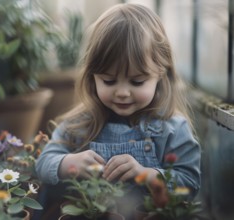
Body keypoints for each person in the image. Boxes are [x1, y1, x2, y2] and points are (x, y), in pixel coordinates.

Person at [35, 3, 201, 218]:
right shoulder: (81, 123)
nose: (122, 92)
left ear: (160, 73)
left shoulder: (172, 129)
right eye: (109, 80)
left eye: (137, 81)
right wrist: (67, 163)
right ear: (92, 77)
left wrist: (146, 175)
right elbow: (43, 164)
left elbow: (190, 184)